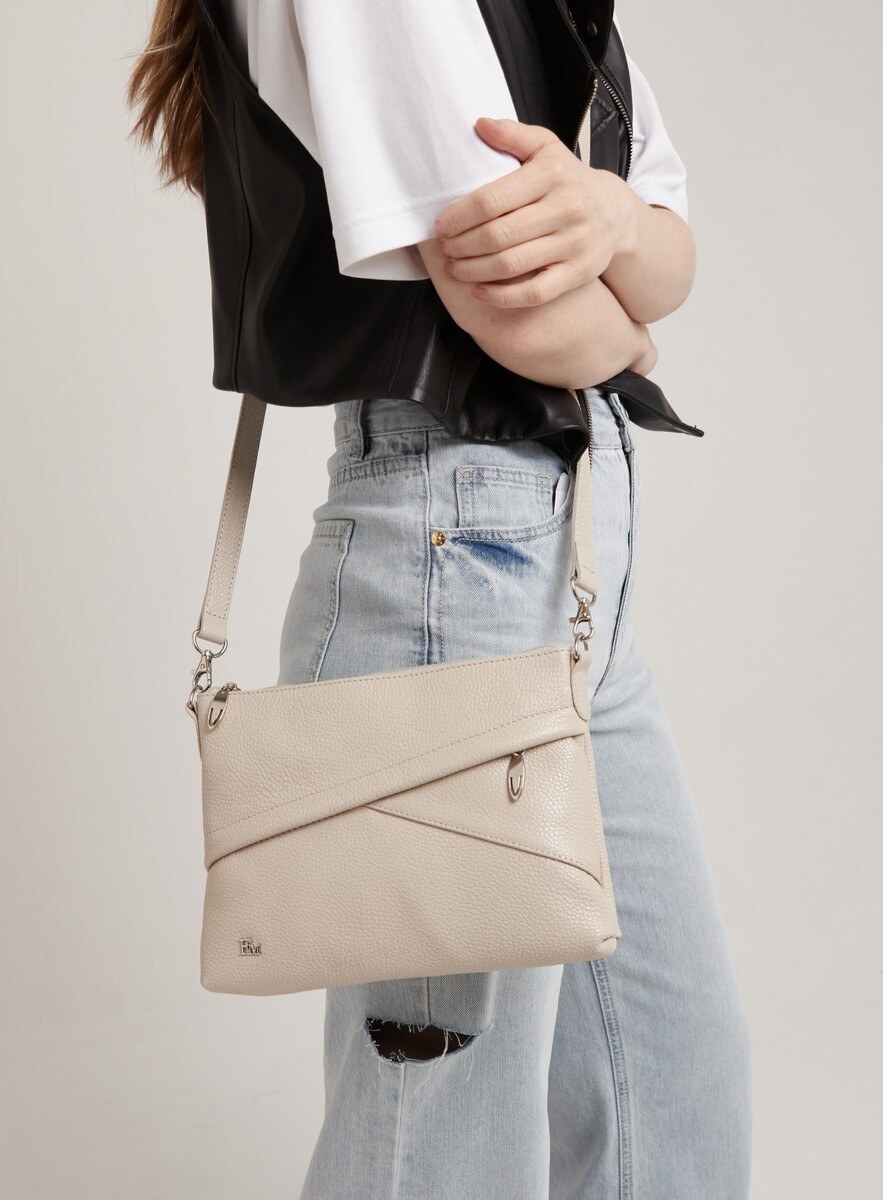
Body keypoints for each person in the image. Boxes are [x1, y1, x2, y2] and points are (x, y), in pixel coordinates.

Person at [127, 2, 752, 1195]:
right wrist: (630, 314)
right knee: (442, 1134)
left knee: (673, 1087)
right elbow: (515, 309)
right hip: (453, 559)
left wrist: (615, 227)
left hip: (568, 556)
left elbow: (670, 250)